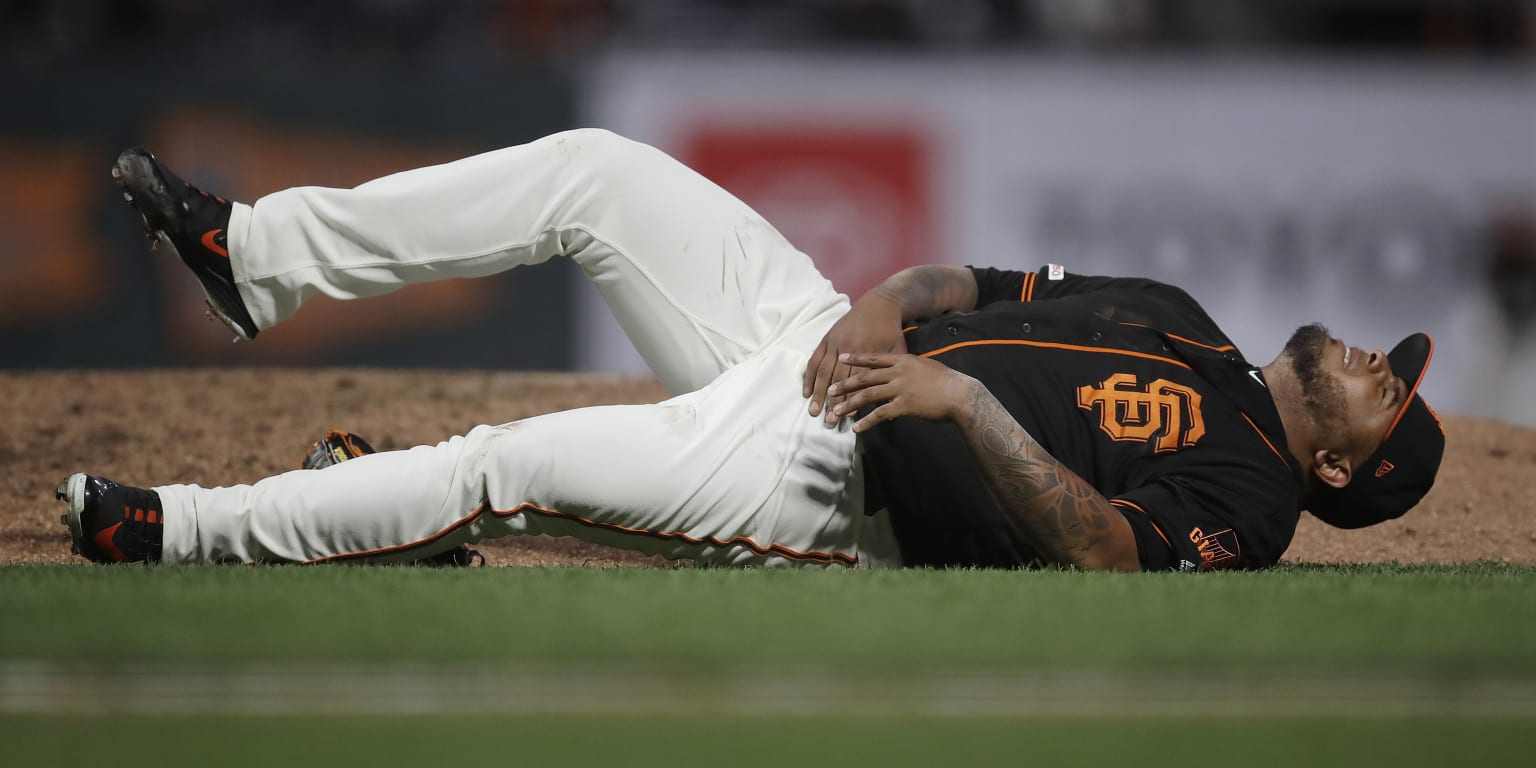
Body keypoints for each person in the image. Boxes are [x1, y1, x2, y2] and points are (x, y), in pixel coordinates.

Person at [59, 129, 1445, 571]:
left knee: (512, 461)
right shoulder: (1189, 321)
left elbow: (1101, 551)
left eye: (1388, 401)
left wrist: (953, 398)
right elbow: (985, 276)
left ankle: (169, 531)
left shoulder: (1255, 504)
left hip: (845, 477)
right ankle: (255, 259)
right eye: (1396, 363)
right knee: (597, 173)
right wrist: (892, 295)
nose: (1381, 366)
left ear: (1339, 466)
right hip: (826, 341)